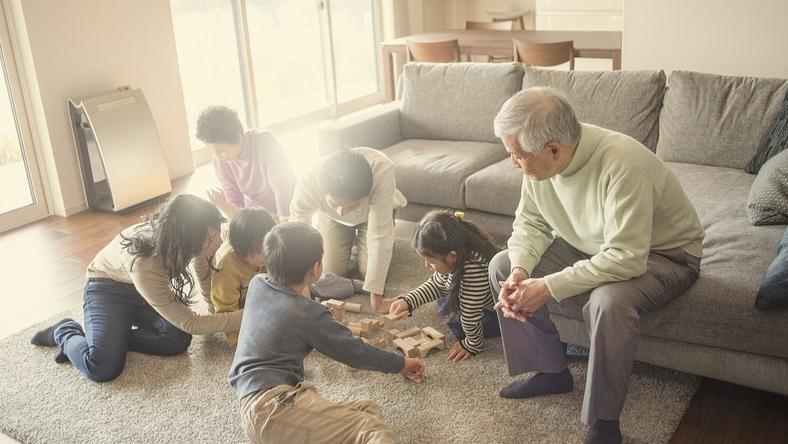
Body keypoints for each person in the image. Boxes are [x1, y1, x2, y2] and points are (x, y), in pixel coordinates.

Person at [488, 87, 704, 444]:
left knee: (608, 302)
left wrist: (547, 286)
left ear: (553, 149)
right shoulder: (540, 163)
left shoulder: (623, 164)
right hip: (594, 245)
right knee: (501, 265)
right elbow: (531, 224)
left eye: (516, 155)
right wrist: (520, 273)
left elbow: (627, 257)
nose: (513, 163)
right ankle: (551, 370)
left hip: (665, 255)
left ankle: (605, 421)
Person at [228, 222, 424, 443]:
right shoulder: (308, 315)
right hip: (275, 410)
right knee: (370, 427)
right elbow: (354, 352)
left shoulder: (257, 283)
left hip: (258, 409)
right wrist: (401, 364)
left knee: (367, 409)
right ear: (315, 268)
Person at [30, 194, 243, 382]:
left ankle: (112, 339)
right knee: (102, 367)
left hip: (145, 292)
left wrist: (214, 308)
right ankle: (65, 331)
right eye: (213, 238)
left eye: (217, 233)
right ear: (186, 239)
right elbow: (191, 322)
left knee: (177, 340)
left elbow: (202, 264)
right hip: (107, 289)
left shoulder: (185, 235)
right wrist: (246, 315)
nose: (219, 242)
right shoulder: (145, 264)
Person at [210, 207, 365, 344]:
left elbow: (289, 277)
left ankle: (352, 285)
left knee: (311, 277)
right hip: (251, 314)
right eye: (260, 251)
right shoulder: (226, 271)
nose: (266, 255)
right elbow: (226, 316)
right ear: (241, 249)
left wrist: (300, 289)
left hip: (274, 293)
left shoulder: (269, 252)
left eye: (267, 248)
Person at [289, 148, 407, 313]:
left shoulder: (382, 170)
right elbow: (296, 234)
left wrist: (377, 300)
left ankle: (359, 244)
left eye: (350, 205)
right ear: (324, 192)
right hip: (330, 219)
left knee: (369, 275)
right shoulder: (309, 181)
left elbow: (380, 234)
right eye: (334, 203)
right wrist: (299, 283)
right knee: (328, 273)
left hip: (371, 215)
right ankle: (351, 244)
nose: (342, 211)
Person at [388, 209, 501, 362]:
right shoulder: (455, 252)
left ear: (452, 256)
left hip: (499, 316)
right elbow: (437, 283)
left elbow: (470, 314)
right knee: (446, 297)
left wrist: (472, 344)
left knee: (456, 322)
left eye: (431, 261)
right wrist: (409, 301)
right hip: (474, 297)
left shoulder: (473, 269)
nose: (427, 266)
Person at [196, 105, 295, 222]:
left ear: (238, 137)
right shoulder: (219, 162)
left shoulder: (265, 141)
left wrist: (284, 221)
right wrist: (227, 208)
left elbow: (282, 187)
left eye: (221, 150)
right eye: (213, 151)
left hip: (288, 205)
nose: (218, 157)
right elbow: (236, 202)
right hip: (258, 214)